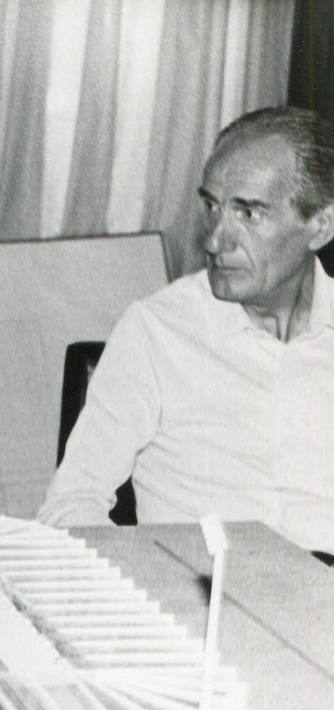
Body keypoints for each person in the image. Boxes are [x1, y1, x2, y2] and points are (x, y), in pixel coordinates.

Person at [40, 107, 334, 557]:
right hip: (199, 604)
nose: (215, 240)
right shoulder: (158, 332)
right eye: (212, 207)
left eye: (248, 215)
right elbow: (70, 505)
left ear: (320, 225)